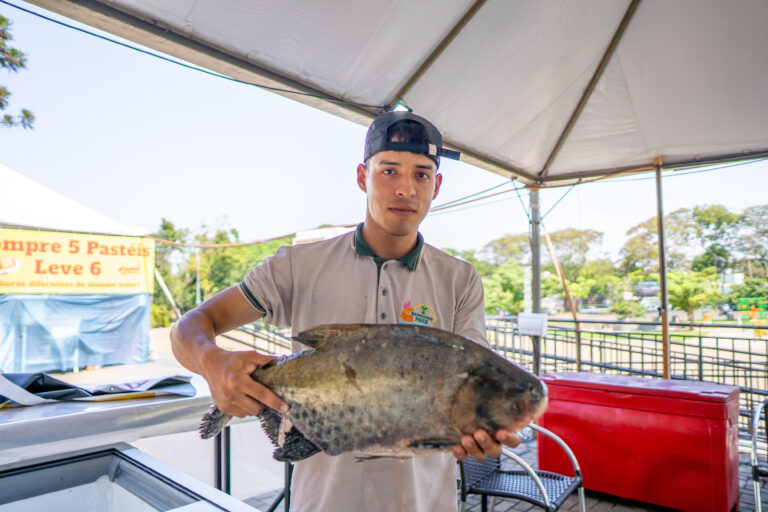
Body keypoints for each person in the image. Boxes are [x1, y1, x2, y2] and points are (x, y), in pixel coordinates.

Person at [170, 111, 521, 511]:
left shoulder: (460, 279)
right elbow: (191, 326)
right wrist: (212, 362)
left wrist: (480, 428)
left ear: (437, 185)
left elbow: (473, 381)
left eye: (421, 174)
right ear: (362, 177)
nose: (405, 188)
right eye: (389, 170)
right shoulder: (297, 266)